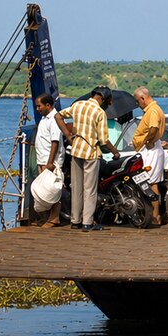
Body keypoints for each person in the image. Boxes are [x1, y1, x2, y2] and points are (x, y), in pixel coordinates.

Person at [55, 87, 121, 231]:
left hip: (76, 151)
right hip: (91, 153)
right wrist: (115, 152)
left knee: (76, 187)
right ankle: (87, 222)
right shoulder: (99, 112)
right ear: (102, 99)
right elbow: (103, 140)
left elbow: (58, 116)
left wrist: (68, 135)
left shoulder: (78, 105)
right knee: (89, 189)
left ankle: (75, 221)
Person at [133, 86, 167, 226]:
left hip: (150, 149)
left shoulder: (152, 110)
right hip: (151, 148)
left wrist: (148, 141)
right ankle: (153, 215)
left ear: (143, 98)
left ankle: (155, 216)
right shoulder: (154, 109)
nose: (137, 104)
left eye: (137, 101)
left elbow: (153, 128)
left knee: (151, 183)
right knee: (150, 182)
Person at [32, 93, 64, 226]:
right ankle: (46, 216)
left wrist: (50, 162)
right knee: (43, 190)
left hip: (50, 161)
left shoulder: (54, 120)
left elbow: (55, 142)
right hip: (42, 159)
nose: (37, 109)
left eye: (39, 106)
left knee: (52, 189)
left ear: (48, 105)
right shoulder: (45, 119)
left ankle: (54, 218)